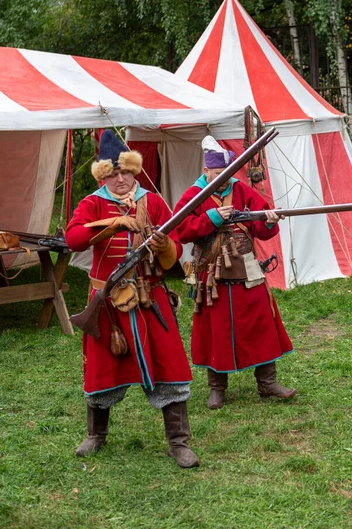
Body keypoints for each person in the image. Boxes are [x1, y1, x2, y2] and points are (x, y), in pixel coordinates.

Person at [65, 129, 199, 468]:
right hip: (109, 302)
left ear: (134, 171)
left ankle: (178, 442)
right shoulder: (93, 202)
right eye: (112, 173)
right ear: (103, 175)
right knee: (101, 368)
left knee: (169, 364)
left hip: (150, 297)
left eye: (125, 172)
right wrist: (111, 223)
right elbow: (74, 239)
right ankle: (96, 435)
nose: (120, 179)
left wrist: (163, 245)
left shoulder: (151, 201)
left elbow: (175, 252)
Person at [173, 136, 296, 410]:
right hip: (210, 274)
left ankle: (267, 382)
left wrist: (270, 219)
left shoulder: (240, 190)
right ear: (206, 172)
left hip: (247, 267)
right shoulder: (194, 195)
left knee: (261, 321)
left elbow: (263, 226)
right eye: (217, 176)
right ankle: (217, 388)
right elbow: (180, 230)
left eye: (226, 176)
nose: (223, 181)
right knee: (214, 329)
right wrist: (212, 218)